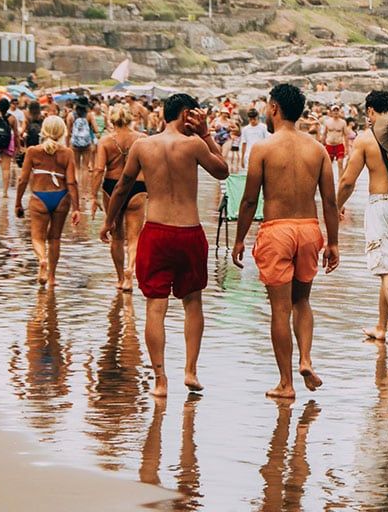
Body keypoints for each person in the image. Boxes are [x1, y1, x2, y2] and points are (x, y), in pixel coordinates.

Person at [100, 93, 229, 398]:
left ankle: (160, 380)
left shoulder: (143, 145)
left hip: (155, 232)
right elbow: (222, 170)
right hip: (188, 231)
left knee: (155, 307)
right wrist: (206, 133)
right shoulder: (195, 145)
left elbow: (122, 186)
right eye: (194, 114)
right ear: (186, 114)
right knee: (192, 302)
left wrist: (108, 221)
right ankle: (190, 370)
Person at [232, 84, 339, 399]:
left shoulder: (263, 149)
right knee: (302, 301)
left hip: (277, 230)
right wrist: (333, 243)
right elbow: (330, 202)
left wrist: (239, 239)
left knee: (280, 309)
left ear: (274, 108)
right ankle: (306, 358)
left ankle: (286, 383)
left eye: (267, 107)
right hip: (309, 228)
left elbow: (250, 200)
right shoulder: (317, 149)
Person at [336, 90, 388, 347]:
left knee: (386, 271)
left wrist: (336, 206)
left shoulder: (366, 138)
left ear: (370, 111)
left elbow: (348, 180)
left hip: (381, 204)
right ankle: (381, 327)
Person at [16, 116, 81, 286]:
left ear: (43, 131)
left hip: (39, 198)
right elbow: (72, 182)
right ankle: (52, 278)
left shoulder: (32, 151)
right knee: (55, 239)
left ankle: (42, 259)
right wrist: (76, 208)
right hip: (61, 198)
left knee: (37, 237)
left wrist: (18, 203)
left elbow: (22, 180)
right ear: (62, 132)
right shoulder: (67, 153)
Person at [91, 104, 147, 292]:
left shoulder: (105, 141)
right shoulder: (142, 139)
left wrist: (93, 196)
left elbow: (99, 169)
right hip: (138, 186)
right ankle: (131, 269)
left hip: (111, 187)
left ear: (111, 120)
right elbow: (151, 166)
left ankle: (120, 277)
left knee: (116, 235)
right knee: (134, 236)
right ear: (130, 119)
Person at [68, 99, 96, 191]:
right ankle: (84, 190)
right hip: (86, 144)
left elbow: (68, 132)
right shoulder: (89, 115)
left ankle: (76, 188)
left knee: (76, 166)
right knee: (85, 167)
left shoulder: (71, 116)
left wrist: (68, 144)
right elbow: (96, 129)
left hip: (74, 144)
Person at [321, 104, 349, 177]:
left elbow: (346, 135)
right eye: (334, 111)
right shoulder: (327, 122)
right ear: (331, 112)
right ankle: (328, 180)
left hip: (339, 145)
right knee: (328, 165)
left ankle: (340, 181)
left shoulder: (343, 122)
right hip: (329, 145)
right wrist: (322, 145)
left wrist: (347, 148)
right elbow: (324, 134)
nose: (336, 112)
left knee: (340, 163)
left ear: (339, 111)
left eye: (337, 110)